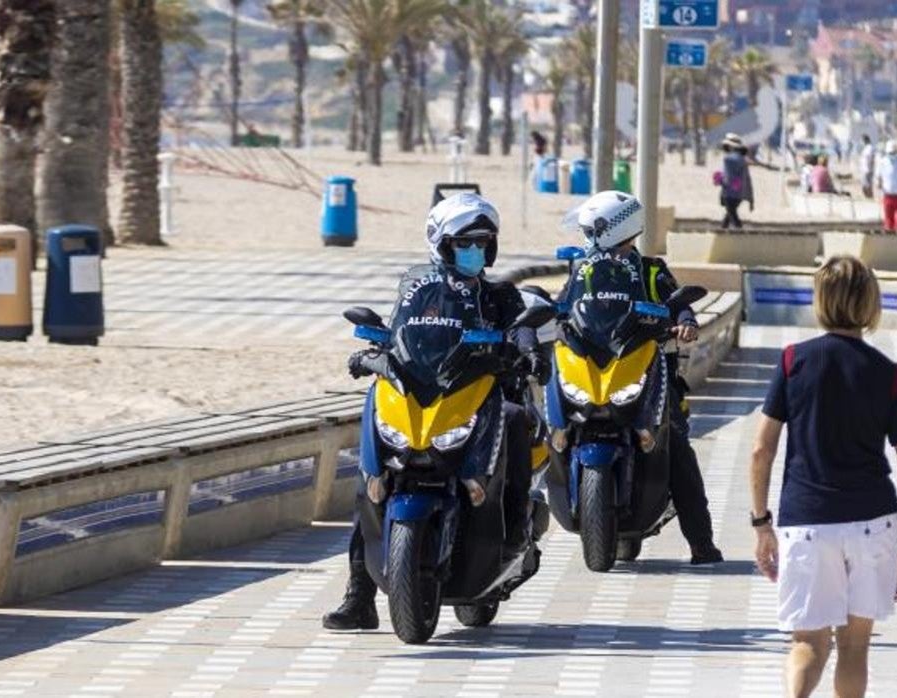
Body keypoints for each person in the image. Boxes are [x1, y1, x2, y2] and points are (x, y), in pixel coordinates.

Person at [323, 193, 548, 631]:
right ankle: (359, 597)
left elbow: (522, 330)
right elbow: (397, 335)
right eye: (466, 243)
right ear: (441, 244)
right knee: (373, 482)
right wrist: (372, 353)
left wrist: (525, 351)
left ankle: (517, 523)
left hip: (484, 393)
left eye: (484, 243)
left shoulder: (498, 295)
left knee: (518, 419)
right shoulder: (417, 292)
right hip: (428, 397)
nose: (476, 251)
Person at [749, 255, 897, 698]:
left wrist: (761, 524)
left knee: (808, 642)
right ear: (870, 304)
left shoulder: (793, 363)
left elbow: (761, 450)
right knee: (854, 646)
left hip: (807, 522)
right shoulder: (889, 374)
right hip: (873, 521)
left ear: (821, 301)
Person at [559, 190, 723, 565]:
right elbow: (563, 305)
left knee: (677, 444)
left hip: (647, 366)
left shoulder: (650, 269)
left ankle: (702, 542)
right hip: (594, 365)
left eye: (592, 230)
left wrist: (684, 322)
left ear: (618, 228)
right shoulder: (581, 270)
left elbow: (677, 301)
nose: (587, 238)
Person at [718, 133, 754, 229]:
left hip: (729, 192)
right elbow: (746, 178)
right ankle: (723, 230)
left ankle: (740, 233)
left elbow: (727, 177)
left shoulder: (728, 159)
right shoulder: (742, 160)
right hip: (740, 193)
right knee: (729, 215)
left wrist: (719, 179)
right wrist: (750, 199)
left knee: (732, 216)